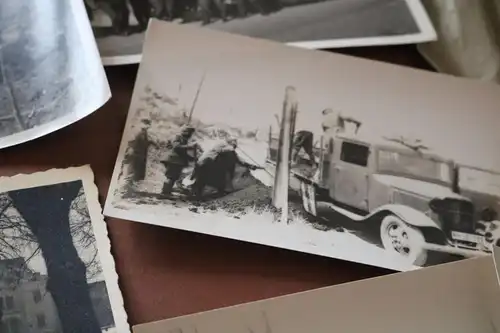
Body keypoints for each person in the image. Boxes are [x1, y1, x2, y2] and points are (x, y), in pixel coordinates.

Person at [190, 138, 261, 199]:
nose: (235, 146)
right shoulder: (222, 145)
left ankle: (218, 192)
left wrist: (251, 166)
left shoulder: (231, 151)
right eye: (234, 144)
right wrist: (231, 147)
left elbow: (239, 160)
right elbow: (219, 150)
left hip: (212, 166)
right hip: (205, 163)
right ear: (230, 143)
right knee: (202, 180)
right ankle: (196, 194)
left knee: (218, 179)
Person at [160, 126, 199, 197]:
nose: (190, 135)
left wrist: (191, 158)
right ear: (186, 132)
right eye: (190, 133)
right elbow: (176, 147)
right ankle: (164, 192)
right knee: (170, 177)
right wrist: (189, 146)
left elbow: (182, 153)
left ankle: (167, 192)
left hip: (177, 161)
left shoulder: (184, 140)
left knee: (174, 177)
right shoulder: (178, 137)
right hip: (173, 160)